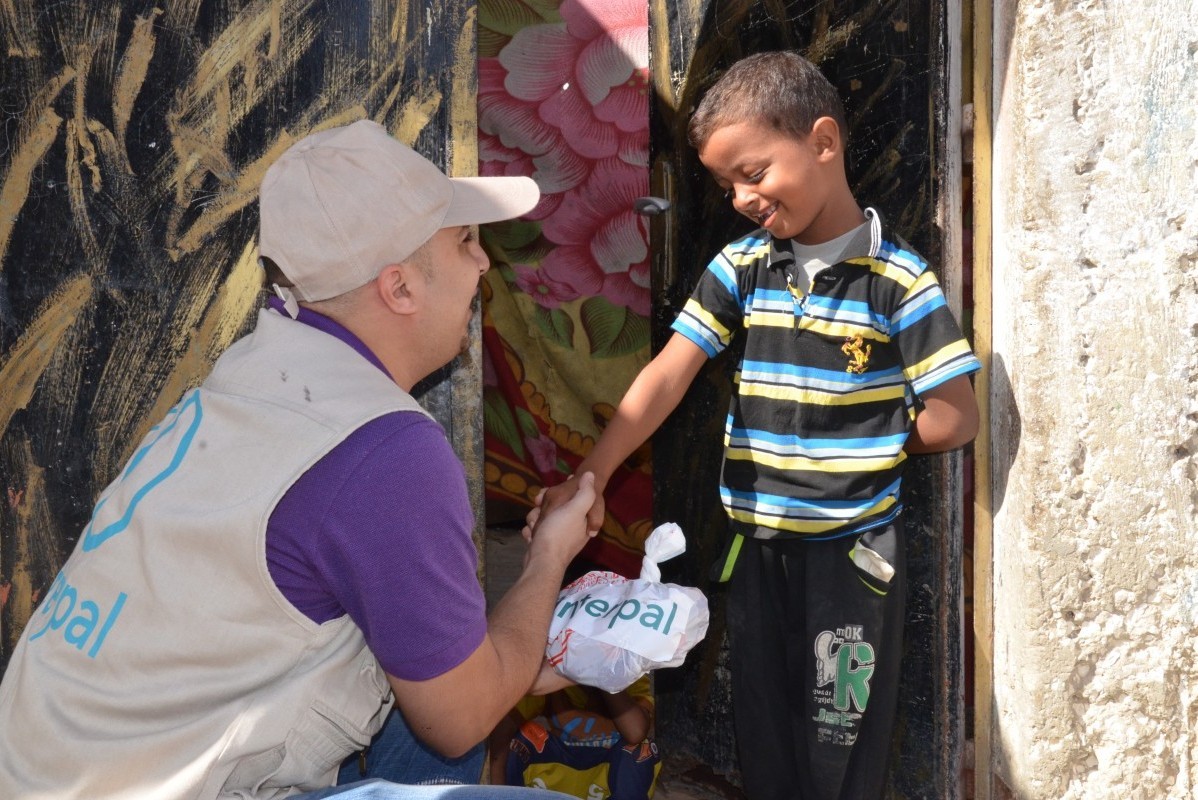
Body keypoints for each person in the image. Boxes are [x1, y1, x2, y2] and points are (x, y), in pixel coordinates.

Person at [0, 119, 596, 799]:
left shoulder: (255, 369)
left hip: (45, 767)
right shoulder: (386, 450)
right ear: (399, 289)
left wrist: (501, 665)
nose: (485, 262)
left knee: (440, 670)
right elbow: (461, 722)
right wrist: (549, 557)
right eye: (464, 242)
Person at [530, 51, 981, 800]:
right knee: (766, 739)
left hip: (853, 562)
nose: (742, 196)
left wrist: (856, 441)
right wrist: (593, 474)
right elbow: (667, 377)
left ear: (824, 143)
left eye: (755, 171)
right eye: (725, 183)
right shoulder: (742, 266)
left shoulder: (899, 282)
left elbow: (955, 418)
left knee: (840, 749)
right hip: (760, 550)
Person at [487, 675, 659, 800]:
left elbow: (636, 731)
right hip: (562, 768)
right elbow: (503, 732)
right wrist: (499, 793)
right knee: (520, 739)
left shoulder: (630, 673)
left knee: (641, 749)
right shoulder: (555, 669)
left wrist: (608, 674)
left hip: (606, 772)